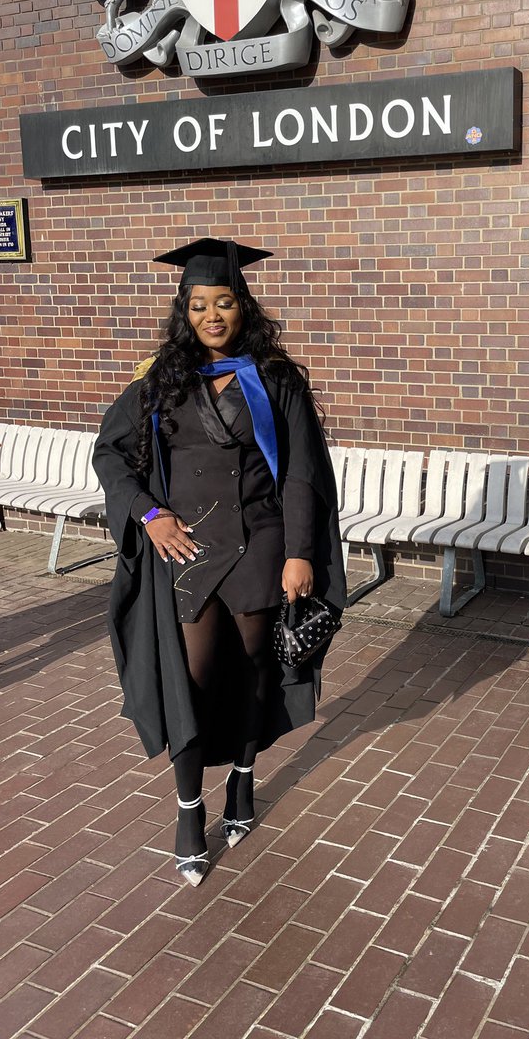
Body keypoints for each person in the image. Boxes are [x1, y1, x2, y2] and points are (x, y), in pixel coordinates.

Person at [93, 238, 346, 887]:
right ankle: (188, 809)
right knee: (197, 683)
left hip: (262, 548)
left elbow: (302, 475)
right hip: (192, 552)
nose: (212, 315)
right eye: (199, 304)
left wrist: (299, 554)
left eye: (224, 302)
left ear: (243, 306)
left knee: (255, 673)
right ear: (185, 310)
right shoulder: (160, 377)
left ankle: (241, 782)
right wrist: (150, 514)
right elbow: (111, 454)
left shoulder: (278, 378)